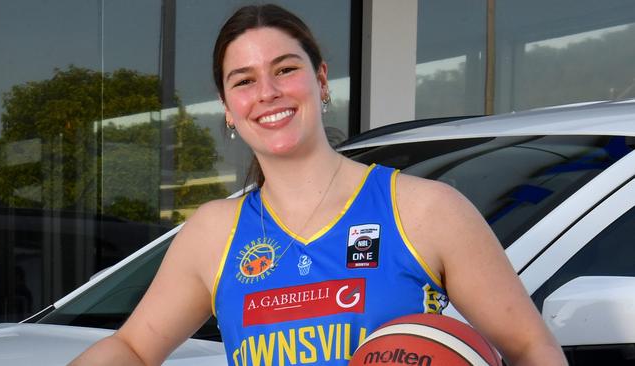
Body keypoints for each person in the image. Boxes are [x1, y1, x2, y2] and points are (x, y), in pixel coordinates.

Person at [71, 4, 567, 366]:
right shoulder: (214, 232)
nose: (267, 93)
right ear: (227, 107)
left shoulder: (423, 210)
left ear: (321, 80)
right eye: (243, 81)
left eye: (285, 70)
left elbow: (530, 348)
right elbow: (132, 348)